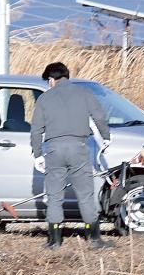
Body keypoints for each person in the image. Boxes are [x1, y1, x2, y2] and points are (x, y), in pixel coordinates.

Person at [30, 62, 111, 250]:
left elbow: (36, 130)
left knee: (54, 196)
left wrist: (38, 154)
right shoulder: (84, 93)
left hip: (54, 150)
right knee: (85, 194)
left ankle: (54, 241)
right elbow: (99, 117)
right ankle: (94, 239)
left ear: (51, 79)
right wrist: (106, 137)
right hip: (79, 148)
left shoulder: (44, 98)